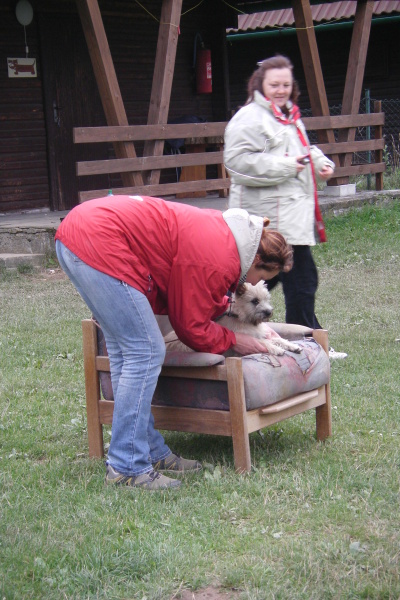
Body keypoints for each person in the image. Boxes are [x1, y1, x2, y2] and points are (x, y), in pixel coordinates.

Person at [55, 194, 294, 490]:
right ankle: (127, 466)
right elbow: (189, 326)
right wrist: (234, 340)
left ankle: (148, 451)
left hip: (79, 233)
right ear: (256, 259)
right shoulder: (221, 257)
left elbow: (188, 292)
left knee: (125, 353)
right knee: (144, 351)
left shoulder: (223, 237)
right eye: (260, 274)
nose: (251, 279)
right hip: (99, 239)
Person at [224, 54, 347, 360]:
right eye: (274, 84)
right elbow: (237, 163)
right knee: (290, 283)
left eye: (286, 84)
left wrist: (319, 162)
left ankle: (304, 339)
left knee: (292, 282)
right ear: (260, 84)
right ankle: (307, 343)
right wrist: (289, 166)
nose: (280, 89)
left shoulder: (288, 116)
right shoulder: (248, 118)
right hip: (266, 223)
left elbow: (302, 150)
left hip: (292, 220)